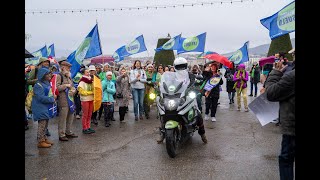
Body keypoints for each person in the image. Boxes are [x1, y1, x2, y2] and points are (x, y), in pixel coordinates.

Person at [157, 57, 207, 144]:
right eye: (179, 66)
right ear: (175, 66)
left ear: (186, 66)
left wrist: (195, 84)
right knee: (164, 112)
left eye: (182, 66)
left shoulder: (190, 75)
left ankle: (202, 133)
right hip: (175, 97)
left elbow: (195, 82)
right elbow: (166, 84)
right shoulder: (172, 76)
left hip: (186, 96)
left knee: (197, 112)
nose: (181, 68)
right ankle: (162, 133)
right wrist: (161, 89)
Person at [265, 49, 295, 180]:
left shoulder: (292, 76)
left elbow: (271, 93)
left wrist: (276, 72)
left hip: (293, 128)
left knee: (286, 160)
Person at [31, 68, 57, 148]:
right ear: (43, 75)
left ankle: (44, 138)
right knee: (42, 125)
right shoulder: (38, 85)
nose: (50, 75)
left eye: (50, 73)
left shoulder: (46, 83)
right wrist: (52, 99)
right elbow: (40, 98)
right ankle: (40, 141)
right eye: (47, 74)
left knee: (45, 124)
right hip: (40, 107)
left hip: (45, 107)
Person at [56, 61, 78, 141]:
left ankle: (68, 132)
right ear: (63, 67)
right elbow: (57, 88)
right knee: (63, 118)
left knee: (70, 117)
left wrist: (74, 91)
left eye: (69, 68)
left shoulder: (69, 77)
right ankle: (61, 134)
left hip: (71, 100)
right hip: (63, 100)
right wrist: (65, 86)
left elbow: (72, 87)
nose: (69, 69)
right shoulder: (59, 76)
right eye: (68, 67)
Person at [77, 68, 95, 134]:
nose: (88, 73)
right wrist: (91, 92)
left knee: (90, 114)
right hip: (85, 99)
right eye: (87, 72)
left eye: (89, 72)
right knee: (85, 114)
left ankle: (88, 126)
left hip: (91, 99)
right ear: (83, 73)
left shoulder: (91, 80)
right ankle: (84, 128)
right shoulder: (82, 81)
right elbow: (81, 91)